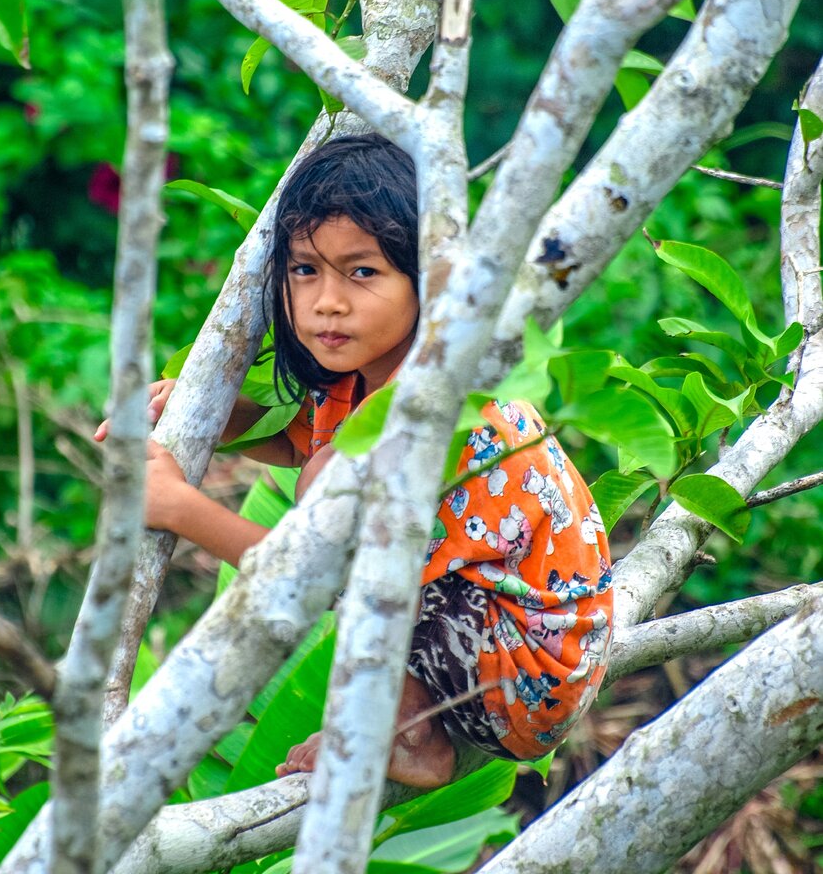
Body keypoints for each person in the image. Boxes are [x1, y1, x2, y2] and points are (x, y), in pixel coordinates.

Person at [95, 134, 613, 788]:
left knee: (328, 501)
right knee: (325, 479)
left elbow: (304, 575)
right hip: (514, 653)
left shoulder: (426, 409)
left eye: (362, 272)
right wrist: (205, 415)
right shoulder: (365, 374)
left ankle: (412, 732)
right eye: (305, 269)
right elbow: (296, 441)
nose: (326, 302)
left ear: (427, 282)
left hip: (520, 679)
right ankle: (414, 715)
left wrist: (178, 506)